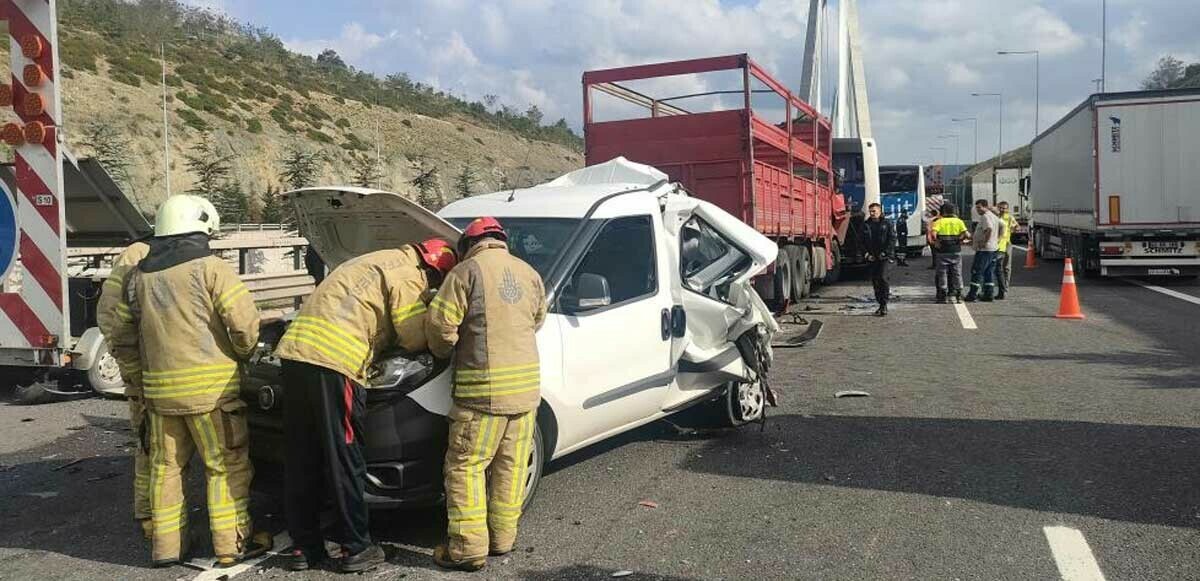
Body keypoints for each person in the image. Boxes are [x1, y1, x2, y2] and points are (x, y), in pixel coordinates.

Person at [272, 238, 458, 574]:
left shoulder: (373, 259)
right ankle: (355, 547)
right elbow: (413, 337)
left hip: (294, 357)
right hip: (334, 363)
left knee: (302, 457)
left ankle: (304, 546)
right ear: (434, 269)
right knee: (345, 457)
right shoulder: (408, 276)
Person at [107, 195, 271, 568]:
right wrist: (243, 355)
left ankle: (166, 548)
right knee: (224, 467)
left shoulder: (138, 277)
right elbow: (244, 325)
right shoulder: (212, 269)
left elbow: (121, 333)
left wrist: (138, 378)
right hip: (211, 396)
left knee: (166, 470)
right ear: (201, 228)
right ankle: (232, 545)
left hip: (160, 397)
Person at [426, 217, 547, 573]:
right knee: (509, 468)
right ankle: (502, 540)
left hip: (482, 396)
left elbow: (440, 328)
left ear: (469, 244)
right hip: (525, 396)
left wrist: (445, 351)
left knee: (466, 468)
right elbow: (537, 320)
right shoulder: (529, 273)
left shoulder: (466, 273)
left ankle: (466, 549)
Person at [95, 237, 151, 540]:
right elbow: (111, 318)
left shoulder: (141, 254)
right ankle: (149, 514)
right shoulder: (139, 256)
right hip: (146, 372)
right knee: (150, 444)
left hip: (152, 372)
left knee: (153, 447)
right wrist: (132, 369)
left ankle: (154, 516)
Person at [931, 203, 969, 304]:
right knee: (957, 273)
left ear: (943, 211)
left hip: (942, 251)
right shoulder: (959, 222)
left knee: (942, 273)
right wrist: (960, 240)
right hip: (955, 250)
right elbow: (967, 235)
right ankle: (959, 295)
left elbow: (933, 234)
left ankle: (943, 296)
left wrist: (937, 242)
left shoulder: (939, 222)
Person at [965, 199, 1002, 302]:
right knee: (988, 272)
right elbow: (1002, 226)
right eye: (976, 208)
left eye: (979, 207)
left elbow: (989, 229)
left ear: (985, 206)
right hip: (993, 248)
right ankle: (988, 294)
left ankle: (972, 294)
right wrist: (998, 238)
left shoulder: (986, 217)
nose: (978, 210)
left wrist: (984, 242)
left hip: (985, 250)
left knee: (977, 271)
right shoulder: (994, 216)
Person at [863, 203, 896, 316]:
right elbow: (860, 241)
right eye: (870, 211)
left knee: (883, 278)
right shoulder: (866, 225)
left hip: (884, 257)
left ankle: (884, 304)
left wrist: (886, 253)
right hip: (872, 257)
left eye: (874, 211)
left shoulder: (887, 223)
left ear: (880, 211)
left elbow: (892, 239)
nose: (872, 214)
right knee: (875, 281)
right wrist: (866, 254)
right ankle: (880, 303)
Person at [993, 201, 1016, 300]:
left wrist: (1012, 230)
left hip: (1006, 244)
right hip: (995, 244)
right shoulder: (994, 217)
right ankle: (999, 289)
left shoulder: (1009, 217)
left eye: (1005, 208)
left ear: (1007, 209)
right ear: (997, 208)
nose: (1002, 210)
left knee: (1006, 267)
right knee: (996, 268)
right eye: (1001, 208)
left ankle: (1005, 288)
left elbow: (1016, 226)